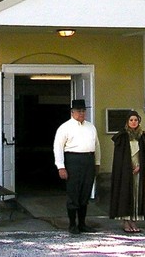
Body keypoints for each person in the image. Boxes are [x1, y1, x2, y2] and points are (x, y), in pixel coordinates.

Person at [53, 99, 101, 235]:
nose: (81, 113)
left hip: (88, 160)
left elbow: (97, 146)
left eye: (83, 111)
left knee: (85, 193)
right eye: (79, 111)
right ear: (72, 112)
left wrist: (97, 162)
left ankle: (82, 223)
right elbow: (58, 148)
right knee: (73, 193)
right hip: (73, 161)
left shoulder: (91, 127)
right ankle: (72, 224)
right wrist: (61, 167)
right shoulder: (65, 128)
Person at [109, 110, 145, 233]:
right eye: (131, 120)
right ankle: (126, 222)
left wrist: (140, 166)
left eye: (135, 120)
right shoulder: (122, 136)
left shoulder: (142, 136)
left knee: (137, 194)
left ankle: (134, 220)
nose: (133, 122)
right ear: (127, 122)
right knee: (125, 194)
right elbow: (119, 157)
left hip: (139, 169)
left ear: (138, 121)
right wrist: (128, 167)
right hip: (125, 171)